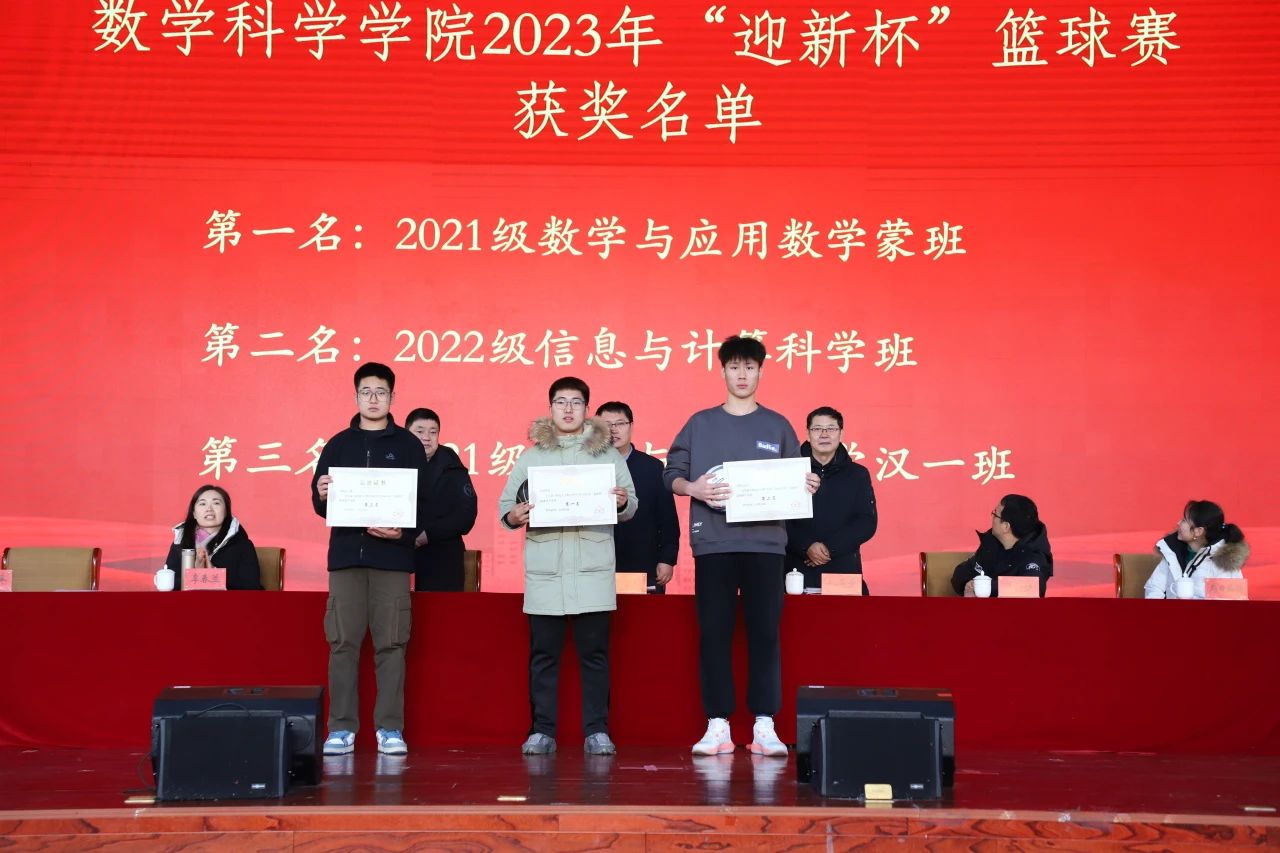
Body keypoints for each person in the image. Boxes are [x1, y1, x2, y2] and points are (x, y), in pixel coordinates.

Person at [664, 335, 820, 757]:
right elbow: (671, 474)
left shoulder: (777, 425)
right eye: (734, 366)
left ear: (761, 372)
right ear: (723, 372)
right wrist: (692, 487)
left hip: (765, 544)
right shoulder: (700, 423)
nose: (742, 374)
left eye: (750, 367)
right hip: (714, 543)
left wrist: (806, 484)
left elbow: (795, 479)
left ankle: (764, 724)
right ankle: (717, 724)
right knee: (714, 633)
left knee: (765, 633)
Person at [499, 377, 638, 757]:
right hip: (546, 573)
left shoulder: (607, 455)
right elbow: (506, 507)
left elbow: (631, 503)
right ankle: (541, 730)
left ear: (586, 409)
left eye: (576, 402)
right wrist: (514, 515)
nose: (568, 409)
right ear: (550, 408)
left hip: (593, 571)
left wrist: (623, 502)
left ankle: (597, 730)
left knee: (595, 656)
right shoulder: (531, 457)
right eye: (561, 402)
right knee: (543, 657)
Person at [311, 363, 430, 757]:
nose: (374, 398)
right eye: (366, 392)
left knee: (392, 643)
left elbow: (423, 504)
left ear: (392, 397)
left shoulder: (409, 445)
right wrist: (322, 493)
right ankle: (341, 728)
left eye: (381, 392)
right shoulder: (338, 445)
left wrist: (404, 535)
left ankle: (390, 728)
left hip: (392, 559)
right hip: (347, 557)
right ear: (356, 396)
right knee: (342, 643)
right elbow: (320, 503)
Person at [785, 406, 876, 593]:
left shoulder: (858, 474)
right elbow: (778, 518)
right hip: (795, 567)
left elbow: (866, 521)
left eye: (831, 428)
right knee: (793, 612)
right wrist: (806, 547)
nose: (824, 434)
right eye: (817, 429)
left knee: (844, 613)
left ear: (841, 433)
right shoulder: (788, 470)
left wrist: (829, 548)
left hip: (842, 567)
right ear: (808, 434)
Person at [595, 401, 679, 594]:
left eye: (620, 423)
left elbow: (667, 519)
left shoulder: (652, 467)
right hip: (596, 564)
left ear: (631, 426)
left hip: (642, 561)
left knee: (643, 613)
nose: (614, 430)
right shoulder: (587, 467)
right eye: (607, 424)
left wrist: (667, 559)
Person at [405, 408, 478, 592]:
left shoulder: (451, 465)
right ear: (406, 434)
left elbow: (466, 515)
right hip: (398, 551)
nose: (426, 437)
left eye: (433, 432)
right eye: (419, 431)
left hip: (441, 555)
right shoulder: (393, 459)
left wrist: (427, 535)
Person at [155, 485, 262, 590]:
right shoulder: (179, 543)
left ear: (226, 512)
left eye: (216, 503)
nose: (209, 509)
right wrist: (195, 573)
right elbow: (169, 583)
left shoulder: (243, 545)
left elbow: (251, 586)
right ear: (194, 513)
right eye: (202, 504)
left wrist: (213, 575)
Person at [950, 495, 1053, 597]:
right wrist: (969, 584)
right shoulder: (991, 544)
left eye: (995, 514)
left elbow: (1032, 587)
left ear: (1006, 526)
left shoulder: (1034, 555)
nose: (992, 518)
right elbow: (961, 573)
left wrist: (986, 587)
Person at [1145, 500, 1249, 599]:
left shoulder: (1224, 562)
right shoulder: (1172, 552)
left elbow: (1230, 602)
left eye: (1184, 520)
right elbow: (1154, 587)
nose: (1178, 523)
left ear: (1198, 531)